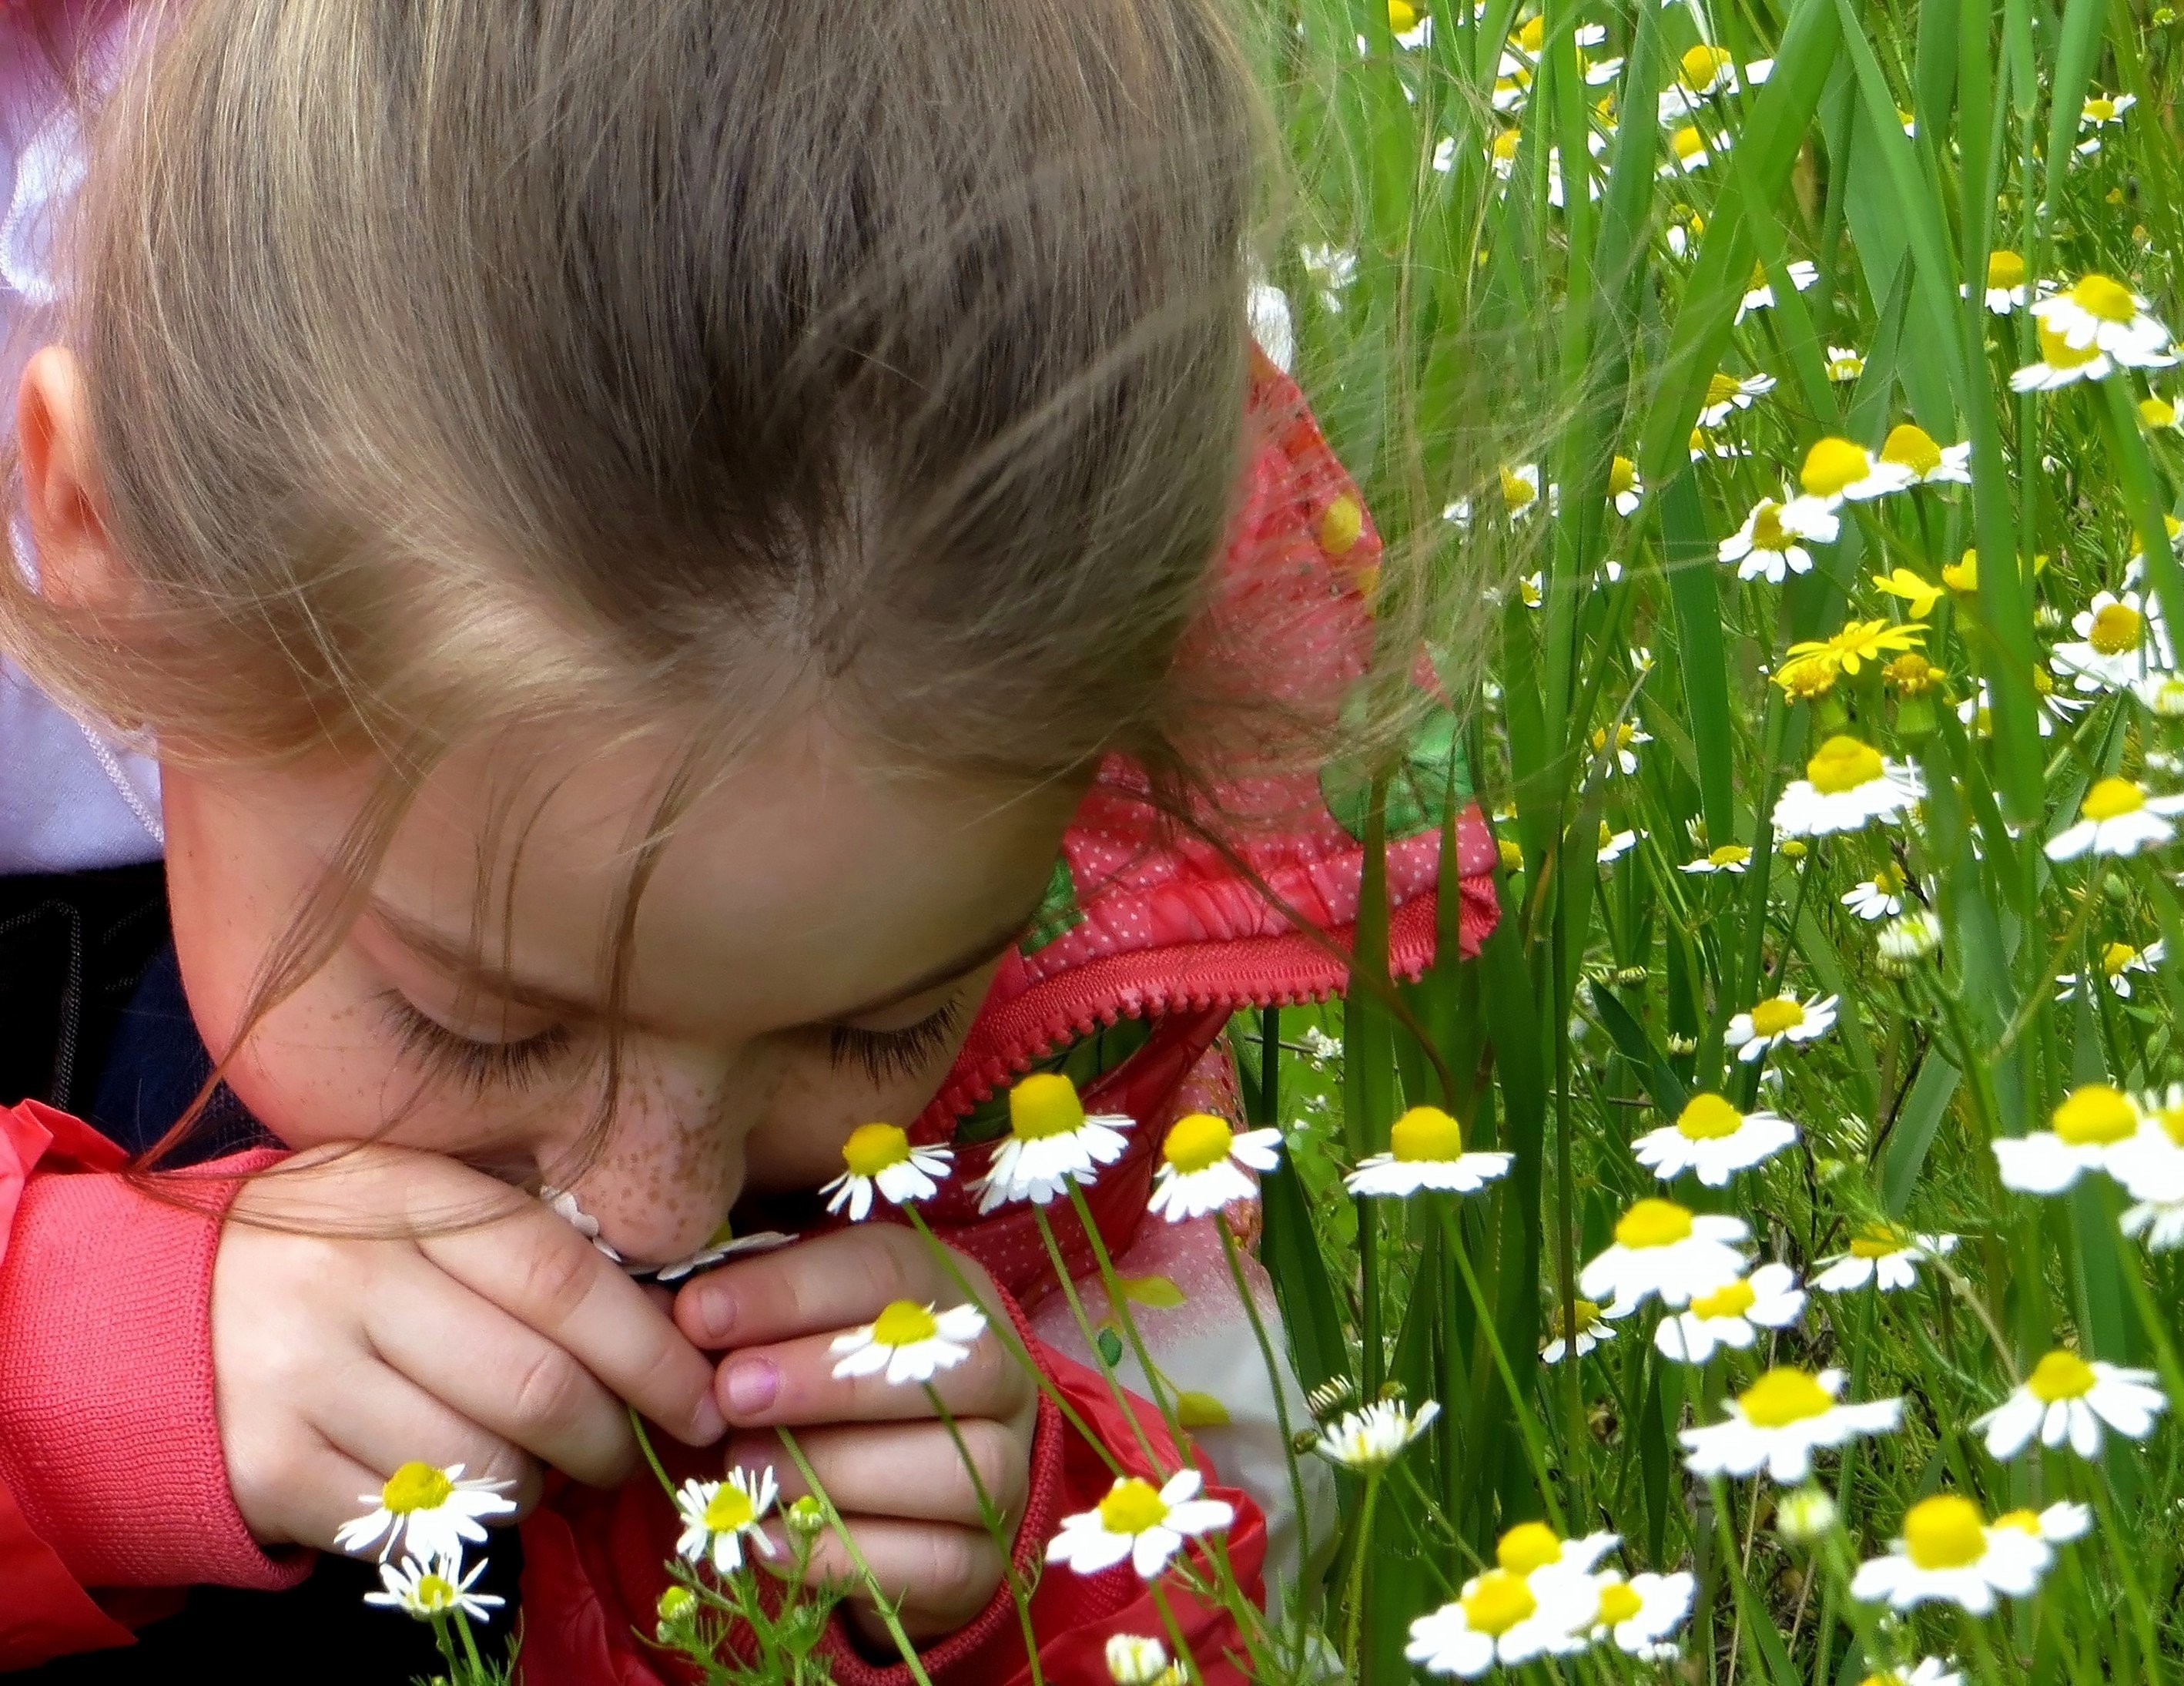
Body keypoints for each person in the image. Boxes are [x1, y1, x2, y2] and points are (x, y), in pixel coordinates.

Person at [0, 2, 1496, 1681]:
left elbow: (1220, 1570)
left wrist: (1016, 1557)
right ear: (88, 529)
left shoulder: (1040, 874)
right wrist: (64, 1373)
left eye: (874, 1022)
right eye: (483, 1020)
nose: (656, 1201)